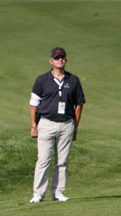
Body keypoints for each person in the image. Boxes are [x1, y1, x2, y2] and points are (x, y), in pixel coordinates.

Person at [29, 47, 85, 203]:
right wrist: (34, 125)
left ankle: (58, 192)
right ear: (51, 61)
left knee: (62, 161)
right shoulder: (42, 80)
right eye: (57, 58)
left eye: (62, 57)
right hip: (46, 123)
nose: (60, 60)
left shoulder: (73, 80)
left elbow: (79, 105)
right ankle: (38, 194)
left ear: (65, 60)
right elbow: (34, 104)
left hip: (67, 124)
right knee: (43, 160)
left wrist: (75, 127)